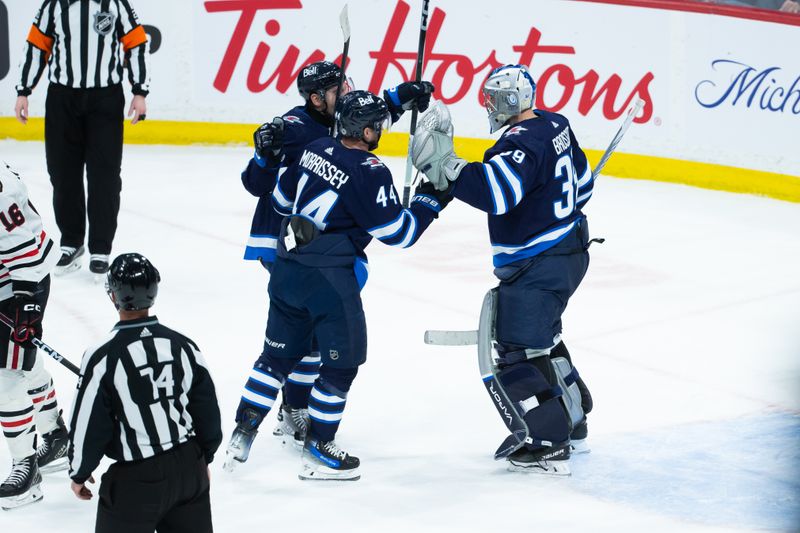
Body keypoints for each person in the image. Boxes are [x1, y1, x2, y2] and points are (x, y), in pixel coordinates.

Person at [226, 90, 450, 480]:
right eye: (377, 125)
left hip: (287, 268)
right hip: (328, 281)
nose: (381, 129)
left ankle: (242, 434)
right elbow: (399, 233)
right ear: (364, 130)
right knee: (340, 367)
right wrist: (431, 199)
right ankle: (319, 448)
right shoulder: (371, 169)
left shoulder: (314, 147)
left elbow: (280, 201)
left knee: (275, 358)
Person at [411, 64, 594, 476]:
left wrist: (452, 168)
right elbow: (583, 184)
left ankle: (548, 439)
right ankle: (574, 418)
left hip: (538, 263)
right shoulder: (555, 124)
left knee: (515, 352)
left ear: (509, 100)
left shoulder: (517, 146)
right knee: (542, 340)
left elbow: (498, 193)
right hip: (570, 249)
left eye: (492, 98)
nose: (488, 104)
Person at [68, 253, 222, 532]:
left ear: (113, 296)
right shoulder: (183, 346)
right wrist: (202, 460)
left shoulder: (102, 357)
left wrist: (80, 472)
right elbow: (207, 409)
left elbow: (88, 425)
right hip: (189, 468)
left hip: (136, 480)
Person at [14, 0, 150, 275]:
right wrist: (23, 90)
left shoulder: (115, 4)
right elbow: (36, 46)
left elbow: (135, 43)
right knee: (63, 173)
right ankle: (71, 242)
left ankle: (100, 248)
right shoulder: (54, 6)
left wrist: (139, 91)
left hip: (106, 99)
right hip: (63, 99)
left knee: (105, 176)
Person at [0, 162, 68, 511]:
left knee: (5, 376)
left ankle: (27, 472)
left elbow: (23, 250)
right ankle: (55, 436)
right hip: (9, 278)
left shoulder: (0, 187)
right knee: (23, 363)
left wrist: (26, 307)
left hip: (19, 285)